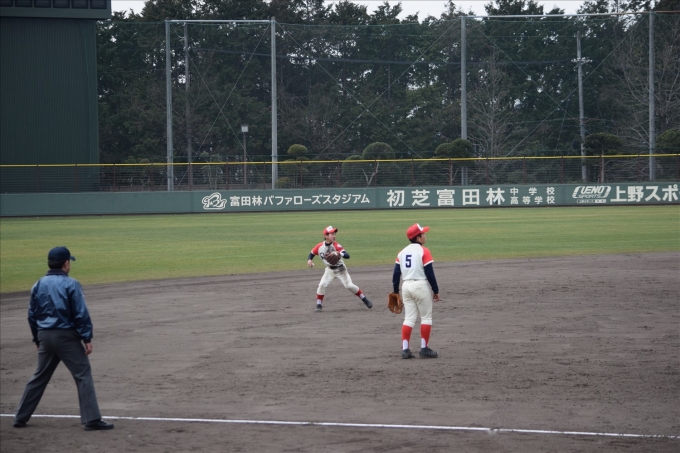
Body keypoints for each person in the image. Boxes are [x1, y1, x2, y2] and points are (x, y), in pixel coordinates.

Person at [13, 246, 114, 431]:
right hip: (66, 337)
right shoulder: (71, 284)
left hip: (44, 335)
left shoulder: (38, 284)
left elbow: (32, 314)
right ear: (66, 263)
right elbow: (80, 313)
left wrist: (37, 339)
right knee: (82, 374)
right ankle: (92, 419)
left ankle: (20, 417)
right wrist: (87, 337)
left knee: (39, 376)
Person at [393, 224, 440, 359]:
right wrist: (435, 290)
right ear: (418, 238)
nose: (425, 236)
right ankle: (424, 348)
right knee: (426, 317)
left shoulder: (402, 252)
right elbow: (429, 273)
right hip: (420, 286)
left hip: (406, 287)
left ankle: (405, 350)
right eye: (423, 234)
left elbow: (396, 274)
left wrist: (396, 291)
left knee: (409, 318)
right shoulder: (423, 251)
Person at [307, 226, 373, 312]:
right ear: (326, 236)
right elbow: (312, 253)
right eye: (332, 234)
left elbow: (347, 255)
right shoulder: (320, 247)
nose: (334, 236)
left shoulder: (336, 245)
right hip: (329, 270)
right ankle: (319, 305)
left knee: (349, 286)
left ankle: (364, 299)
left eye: (335, 234)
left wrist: (339, 253)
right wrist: (309, 260)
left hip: (341, 269)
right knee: (322, 284)